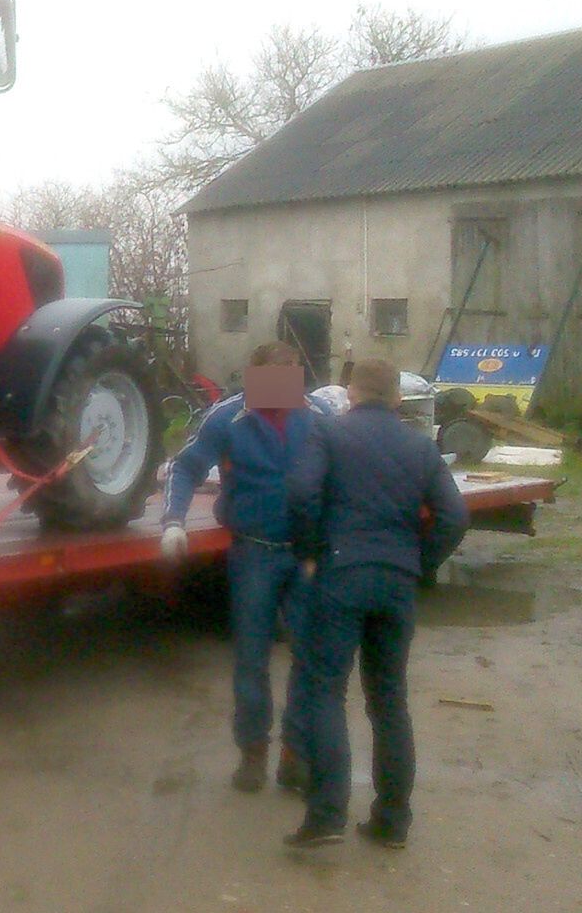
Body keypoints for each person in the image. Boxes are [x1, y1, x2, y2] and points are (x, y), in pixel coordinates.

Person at [282, 358, 470, 849]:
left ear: (349, 393)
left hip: (340, 574)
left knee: (326, 692)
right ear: (397, 399)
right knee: (389, 701)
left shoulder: (327, 434)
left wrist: (307, 553)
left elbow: (301, 492)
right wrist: (419, 562)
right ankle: (391, 820)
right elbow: (455, 515)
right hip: (397, 583)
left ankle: (325, 816)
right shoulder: (420, 446)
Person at [161, 341, 334, 792]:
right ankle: (253, 753)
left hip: (307, 556)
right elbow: (185, 468)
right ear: (255, 376)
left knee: (309, 658)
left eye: (292, 374)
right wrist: (174, 522)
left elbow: (345, 472)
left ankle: (295, 754)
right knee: (251, 658)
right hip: (253, 553)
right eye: (275, 376)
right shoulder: (227, 418)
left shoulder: (319, 416)